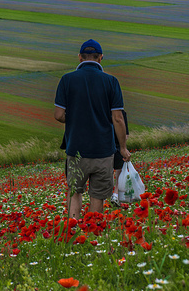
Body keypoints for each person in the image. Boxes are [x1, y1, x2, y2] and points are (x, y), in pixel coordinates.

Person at [54, 39, 131, 218]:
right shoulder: (111, 81)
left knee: (75, 192)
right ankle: (92, 233)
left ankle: (73, 228)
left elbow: (58, 115)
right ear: (101, 58)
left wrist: (75, 120)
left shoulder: (67, 80)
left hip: (76, 151)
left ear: (80, 57)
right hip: (103, 151)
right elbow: (118, 119)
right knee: (97, 196)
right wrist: (123, 148)